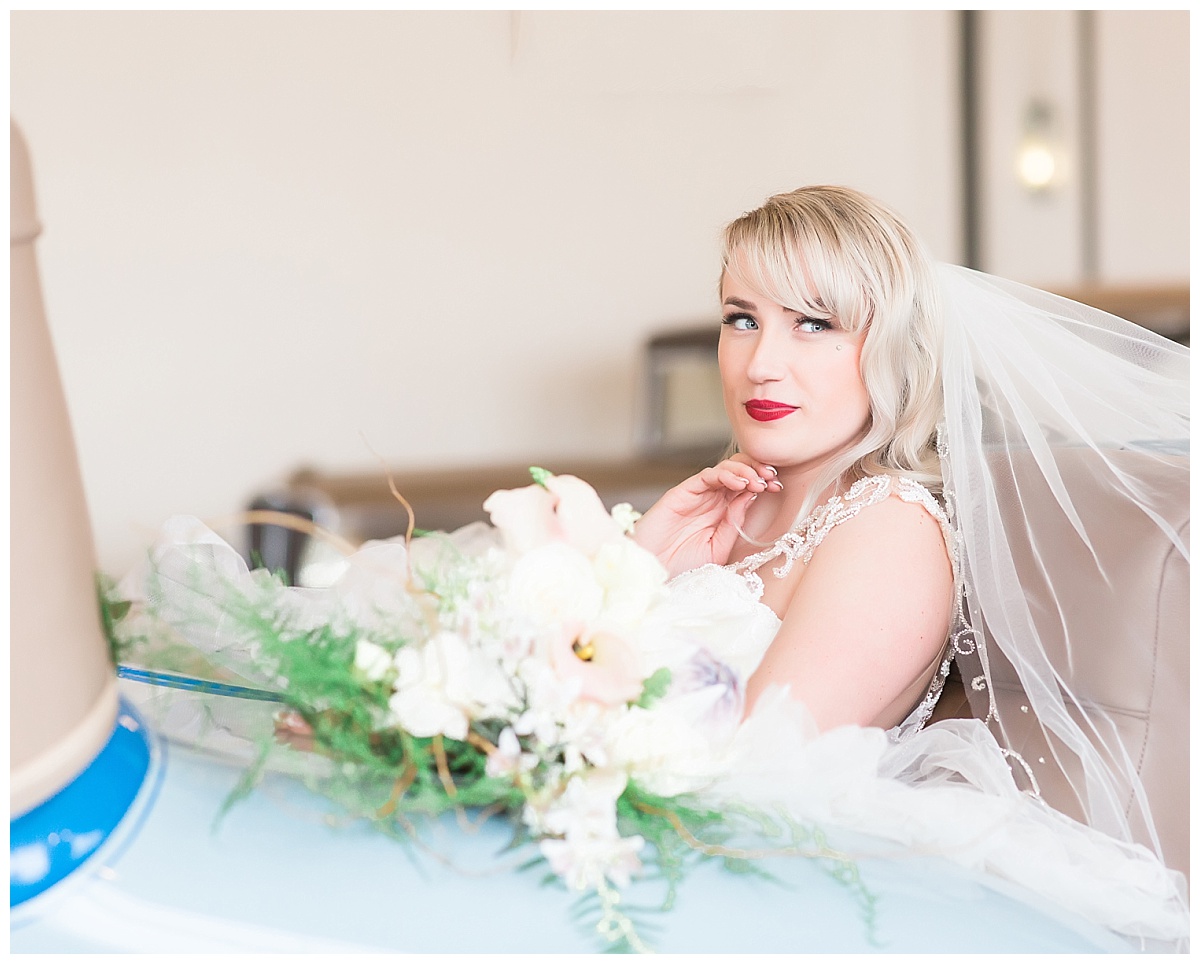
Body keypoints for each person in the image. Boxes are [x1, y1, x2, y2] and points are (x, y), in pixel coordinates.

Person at [632, 187, 956, 735]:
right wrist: (637, 569)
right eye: (742, 319)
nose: (761, 365)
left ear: (893, 346)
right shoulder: (725, 512)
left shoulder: (890, 528)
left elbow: (750, 763)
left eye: (813, 323)